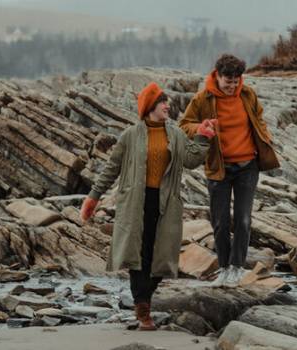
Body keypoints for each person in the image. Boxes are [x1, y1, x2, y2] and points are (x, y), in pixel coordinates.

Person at [80, 82, 216, 331]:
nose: (167, 106)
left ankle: (145, 298)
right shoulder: (130, 136)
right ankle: (143, 308)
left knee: (162, 255)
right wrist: (93, 197)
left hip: (165, 203)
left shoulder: (174, 133)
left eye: (166, 102)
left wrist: (203, 137)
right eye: (163, 102)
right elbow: (112, 168)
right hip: (135, 203)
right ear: (150, 106)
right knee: (138, 256)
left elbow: (190, 159)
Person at [179, 54, 280, 288]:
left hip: (248, 166)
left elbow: (259, 118)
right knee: (221, 222)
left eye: (236, 80)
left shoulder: (247, 94)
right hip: (218, 168)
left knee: (243, 220)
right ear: (218, 75)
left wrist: (265, 137)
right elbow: (184, 125)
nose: (233, 85)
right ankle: (223, 268)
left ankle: (236, 268)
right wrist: (201, 127)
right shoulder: (203, 98)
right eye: (228, 80)